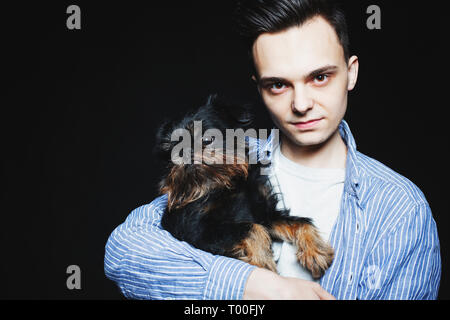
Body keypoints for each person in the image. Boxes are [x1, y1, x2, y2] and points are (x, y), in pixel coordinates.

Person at [104, 0, 441, 300]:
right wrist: (256, 284)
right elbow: (124, 252)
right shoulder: (223, 160)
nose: (301, 103)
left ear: (350, 73)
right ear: (260, 88)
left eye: (320, 77)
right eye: (279, 84)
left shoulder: (400, 208)